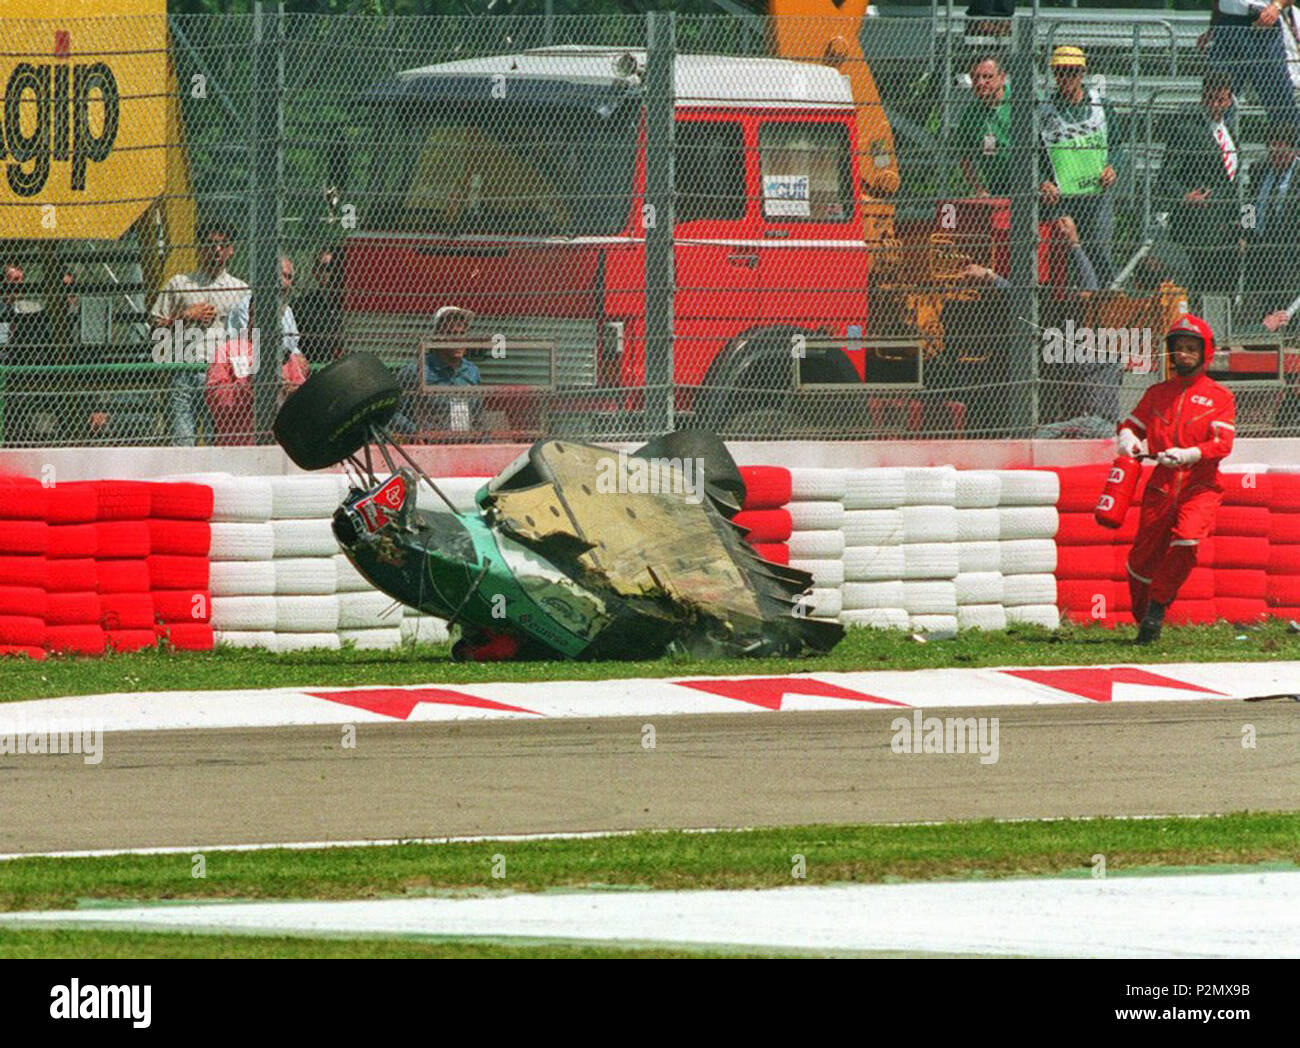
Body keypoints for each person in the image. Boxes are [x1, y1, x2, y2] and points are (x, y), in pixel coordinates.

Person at [1116, 314, 1236, 644]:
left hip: (1201, 484)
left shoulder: (1220, 397)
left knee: (1187, 539)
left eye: (1190, 348)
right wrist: (1128, 440)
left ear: (1205, 352)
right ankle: (1146, 623)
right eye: (1178, 348)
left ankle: (1157, 605)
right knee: (1141, 560)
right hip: (1161, 484)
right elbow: (1130, 426)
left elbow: (1222, 444)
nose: (1183, 354)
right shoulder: (1157, 393)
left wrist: (1188, 454)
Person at [150, 222, 249, 446]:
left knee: (219, 440)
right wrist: (185, 316)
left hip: (222, 375)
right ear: (199, 248)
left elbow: (248, 336)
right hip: (184, 370)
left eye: (223, 245)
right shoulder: (180, 284)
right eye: (210, 244)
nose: (216, 250)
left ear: (231, 250)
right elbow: (156, 329)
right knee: (183, 441)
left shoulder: (240, 290)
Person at [1038, 45, 1125, 287]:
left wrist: (1113, 167)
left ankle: (1105, 299)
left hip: (1096, 196)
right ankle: (1069, 306)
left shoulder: (1102, 106)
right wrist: (1042, 181)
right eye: (1061, 72)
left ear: (1082, 73)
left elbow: (1117, 146)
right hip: (1062, 197)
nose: (1066, 77)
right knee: (1064, 251)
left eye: (1072, 72)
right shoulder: (1043, 112)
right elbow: (1033, 154)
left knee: (1098, 247)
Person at [1159, 73, 1245, 296]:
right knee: (1199, 286)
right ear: (1202, 98)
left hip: (1226, 225)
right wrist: (1184, 196)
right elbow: (1165, 177)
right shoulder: (1186, 130)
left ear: (1229, 100)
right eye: (1210, 99)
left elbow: (1236, 185)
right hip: (1198, 226)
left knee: (1224, 285)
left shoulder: (1230, 134)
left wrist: (1245, 227)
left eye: (1221, 100)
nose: (1215, 105)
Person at [1241, 122, 1300, 326]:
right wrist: (1245, 233)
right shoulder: (1259, 169)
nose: (1276, 160)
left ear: (1293, 151)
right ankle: (1260, 330)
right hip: (1261, 243)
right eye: (1272, 153)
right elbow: (1248, 205)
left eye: (1281, 155)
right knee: (1260, 291)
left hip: (1289, 246)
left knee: (1286, 291)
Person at [394, 305, 482, 437]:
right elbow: (393, 412)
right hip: (431, 445)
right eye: (451, 334)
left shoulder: (471, 372)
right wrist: (414, 433)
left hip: (465, 442)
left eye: (462, 333)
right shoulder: (417, 370)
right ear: (437, 337)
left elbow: (478, 416)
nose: (458, 340)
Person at [1207, 0, 1299, 127]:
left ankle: (1288, 143)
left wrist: (1276, 6)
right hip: (1227, 25)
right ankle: (1217, 142)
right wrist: (1212, 27)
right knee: (1217, 96)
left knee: (1279, 101)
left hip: (1263, 25)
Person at [955, 55, 1013, 198]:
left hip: (1028, 181)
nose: (981, 82)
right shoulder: (971, 114)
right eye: (975, 77)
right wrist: (979, 189)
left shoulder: (1019, 103)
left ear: (1002, 77)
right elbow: (964, 156)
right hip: (997, 185)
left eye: (988, 77)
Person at [295, 247, 344, 366]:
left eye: (336, 267)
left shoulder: (352, 306)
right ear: (315, 271)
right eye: (326, 268)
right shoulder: (302, 307)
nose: (332, 272)